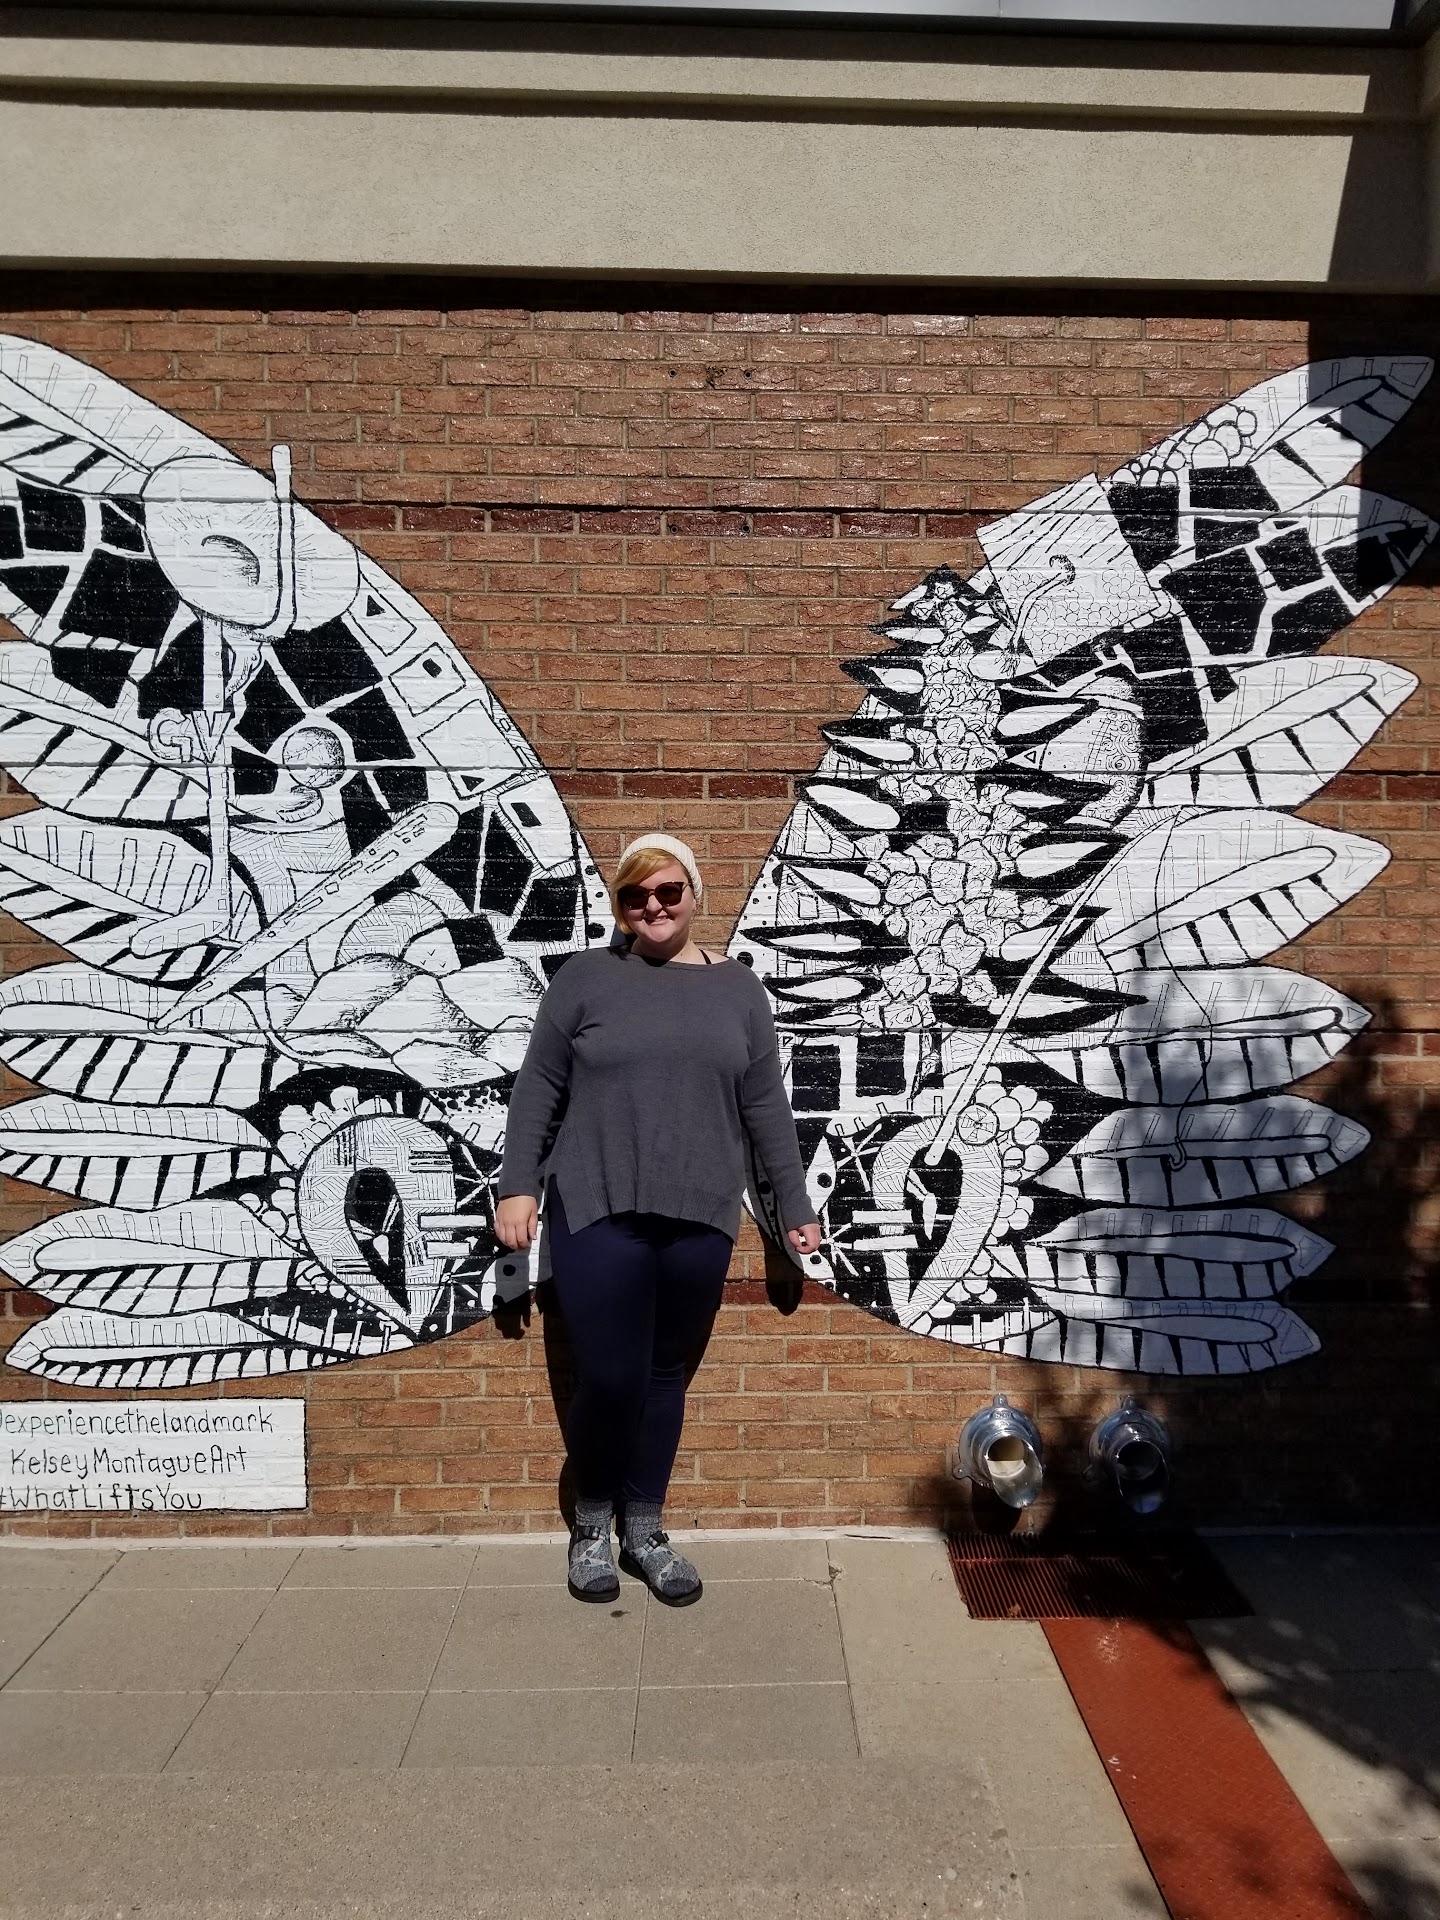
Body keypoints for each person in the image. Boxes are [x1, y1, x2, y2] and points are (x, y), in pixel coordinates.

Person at [495, 832, 822, 1608]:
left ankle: (645, 1530)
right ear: (619, 905)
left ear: (694, 895)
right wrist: (517, 1187)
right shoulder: (585, 979)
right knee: (611, 1374)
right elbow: (538, 1089)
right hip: (597, 1203)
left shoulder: (738, 990)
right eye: (635, 895)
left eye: (669, 891)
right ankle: (591, 1522)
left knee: (664, 1373)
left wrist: (794, 1205)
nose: (653, 906)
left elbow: (766, 1109)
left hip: (700, 1212)